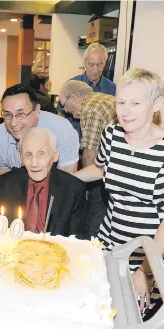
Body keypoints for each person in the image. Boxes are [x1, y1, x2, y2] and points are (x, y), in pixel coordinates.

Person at [74, 68, 164, 316]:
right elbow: (102, 170)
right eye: (121, 102)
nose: (125, 111)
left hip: (147, 255)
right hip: (108, 244)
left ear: (156, 104)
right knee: (99, 312)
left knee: (132, 318)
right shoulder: (112, 135)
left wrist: (145, 270)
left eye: (135, 103)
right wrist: (65, 179)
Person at [0, 127, 87, 238]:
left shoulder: (74, 189)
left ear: (55, 155)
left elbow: (76, 242)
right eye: (28, 155)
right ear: (21, 158)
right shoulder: (5, 184)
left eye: (41, 154)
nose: (34, 163)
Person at [59, 80, 117, 237]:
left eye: (64, 104)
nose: (65, 110)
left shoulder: (90, 108)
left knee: (93, 221)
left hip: (107, 173)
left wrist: (83, 188)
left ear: (73, 97)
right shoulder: (102, 98)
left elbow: (90, 153)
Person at [0, 84, 79, 176]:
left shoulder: (62, 130)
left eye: (20, 114)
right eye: (8, 114)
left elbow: (67, 180)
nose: (13, 123)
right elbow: (3, 174)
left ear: (36, 111)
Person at [58, 43, 117, 138]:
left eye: (100, 64)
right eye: (91, 64)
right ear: (85, 63)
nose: (95, 69)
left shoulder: (112, 88)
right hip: (74, 139)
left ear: (105, 63)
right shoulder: (71, 85)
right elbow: (60, 115)